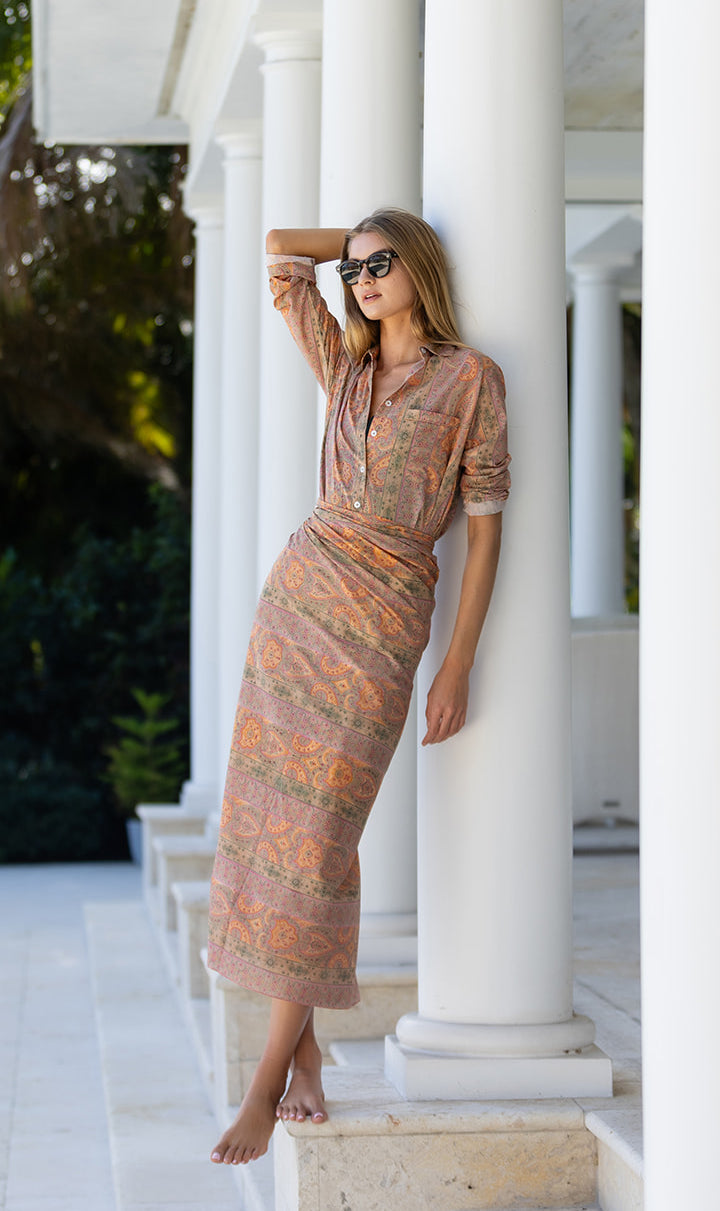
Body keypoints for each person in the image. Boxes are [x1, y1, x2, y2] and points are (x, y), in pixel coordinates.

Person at [207, 208, 510, 1166]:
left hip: (385, 617)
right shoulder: (345, 366)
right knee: (272, 828)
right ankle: (297, 1061)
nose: (365, 278)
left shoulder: (471, 379)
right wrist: (354, 244)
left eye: (383, 263)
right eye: (356, 268)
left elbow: (485, 531)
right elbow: (277, 250)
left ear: (420, 267)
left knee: (321, 840)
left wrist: (456, 659)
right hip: (299, 600)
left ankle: (267, 1081)